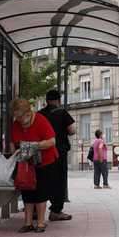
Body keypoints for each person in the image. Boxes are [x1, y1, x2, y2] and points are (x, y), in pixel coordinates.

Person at [10, 99, 58, 233]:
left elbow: (52, 141)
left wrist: (35, 145)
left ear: (28, 112)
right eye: (17, 117)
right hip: (26, 163)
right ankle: (28, 222)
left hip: (44, 161)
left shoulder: (41, 120)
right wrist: (15, 152)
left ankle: (41, 222)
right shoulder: (16, 125)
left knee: (41, 191)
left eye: (21, 116)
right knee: (27, 190)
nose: (20, 120)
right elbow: (14, 142)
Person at [39, 89, 76, 221]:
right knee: (59, 180)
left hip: (43, 151)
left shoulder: (40, 114)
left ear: (46, 101)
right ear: (58, 100)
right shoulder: (62, 113)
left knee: (43, 180)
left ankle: (36, 210)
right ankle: (56, 211)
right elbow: (72, 130)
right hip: (59, 152)